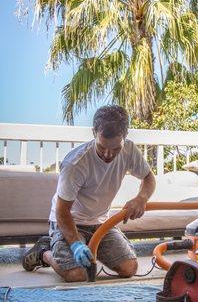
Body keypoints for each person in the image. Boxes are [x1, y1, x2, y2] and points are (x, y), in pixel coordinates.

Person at [22, 105, 156, 282]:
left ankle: (83, 249)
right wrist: (76, 244)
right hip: (69, 221)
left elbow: (148, 178)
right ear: (94, 133)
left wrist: (142, 198)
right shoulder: (76, 163)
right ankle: (43, 252)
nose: (108, 154)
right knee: (77, 275)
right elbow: (62, 211)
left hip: (100, 223)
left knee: (129, 268)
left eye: (115, 148)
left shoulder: (130, 150)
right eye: (102, 147)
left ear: (125, 136)